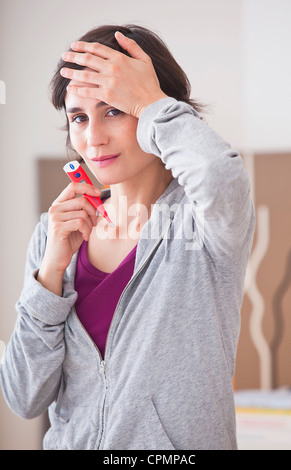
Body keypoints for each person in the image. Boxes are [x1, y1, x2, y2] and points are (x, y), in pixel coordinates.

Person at [0, 24, 255, 450]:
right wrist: (50, 274)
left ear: (154, 107)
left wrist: (154, 102)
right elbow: (23, 397)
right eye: (79, 117)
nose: (93, 138)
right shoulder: (54, 232)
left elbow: (216, 173)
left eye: (114, 109)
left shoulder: (206, 222)